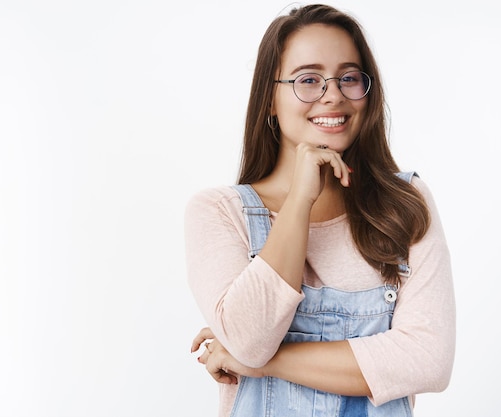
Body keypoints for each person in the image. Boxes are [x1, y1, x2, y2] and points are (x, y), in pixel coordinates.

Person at [185, 4, 455, 416]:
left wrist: (264, 363)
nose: (333, 94)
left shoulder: (405, 203)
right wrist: (299, 201)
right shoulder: (219, 212)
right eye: (308, 79)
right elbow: (249, 339)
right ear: (269, 100)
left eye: (349, 78)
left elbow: (428, 359)